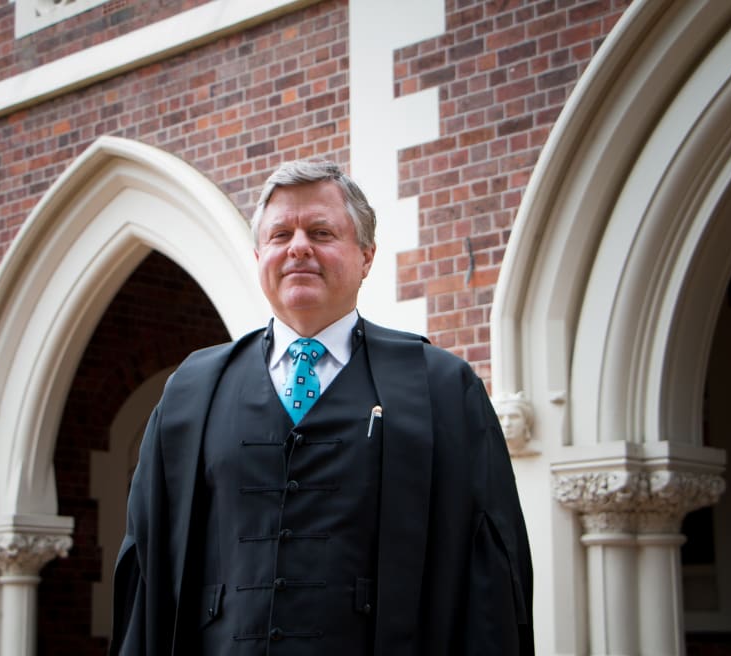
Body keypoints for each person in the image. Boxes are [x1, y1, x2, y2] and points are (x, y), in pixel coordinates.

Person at [111, 159, 533, 655]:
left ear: (366, 256)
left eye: (321, 231)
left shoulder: (441, 389)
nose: (298, 247)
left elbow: (489, 577)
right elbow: (148, 567)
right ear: (258, 255)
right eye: (280, 234)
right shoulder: (191, 393)